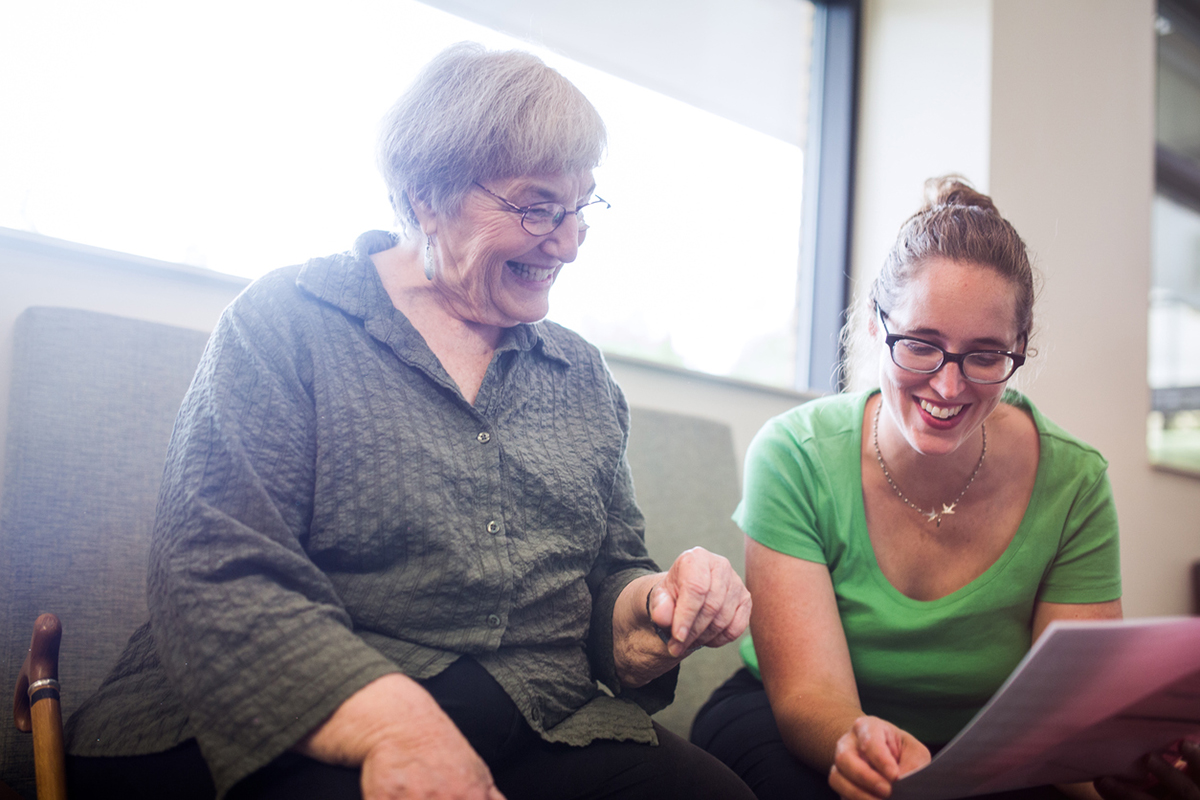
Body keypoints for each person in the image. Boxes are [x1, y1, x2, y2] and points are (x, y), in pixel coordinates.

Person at [63, 43, 755, 800]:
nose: (565, 241)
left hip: (532, 716)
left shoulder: (580, 376)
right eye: (536, 207)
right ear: (428, 196)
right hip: (298, 715)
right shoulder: (287, 325)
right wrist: (399, 728)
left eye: (580, 206)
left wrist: (655, 606)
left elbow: (607, 576)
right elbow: (218, 570)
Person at [691, 177, 1124, 800]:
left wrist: (1122, 775)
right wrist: (857, 740)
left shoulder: (1075, 483)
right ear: (874, 324)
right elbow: (811, 696)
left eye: (984, 356)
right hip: (800, 726)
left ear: (1020, 347)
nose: (948, 388)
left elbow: (1070, 729)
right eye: (921, 346)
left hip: (982, 747)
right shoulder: (794, 454)